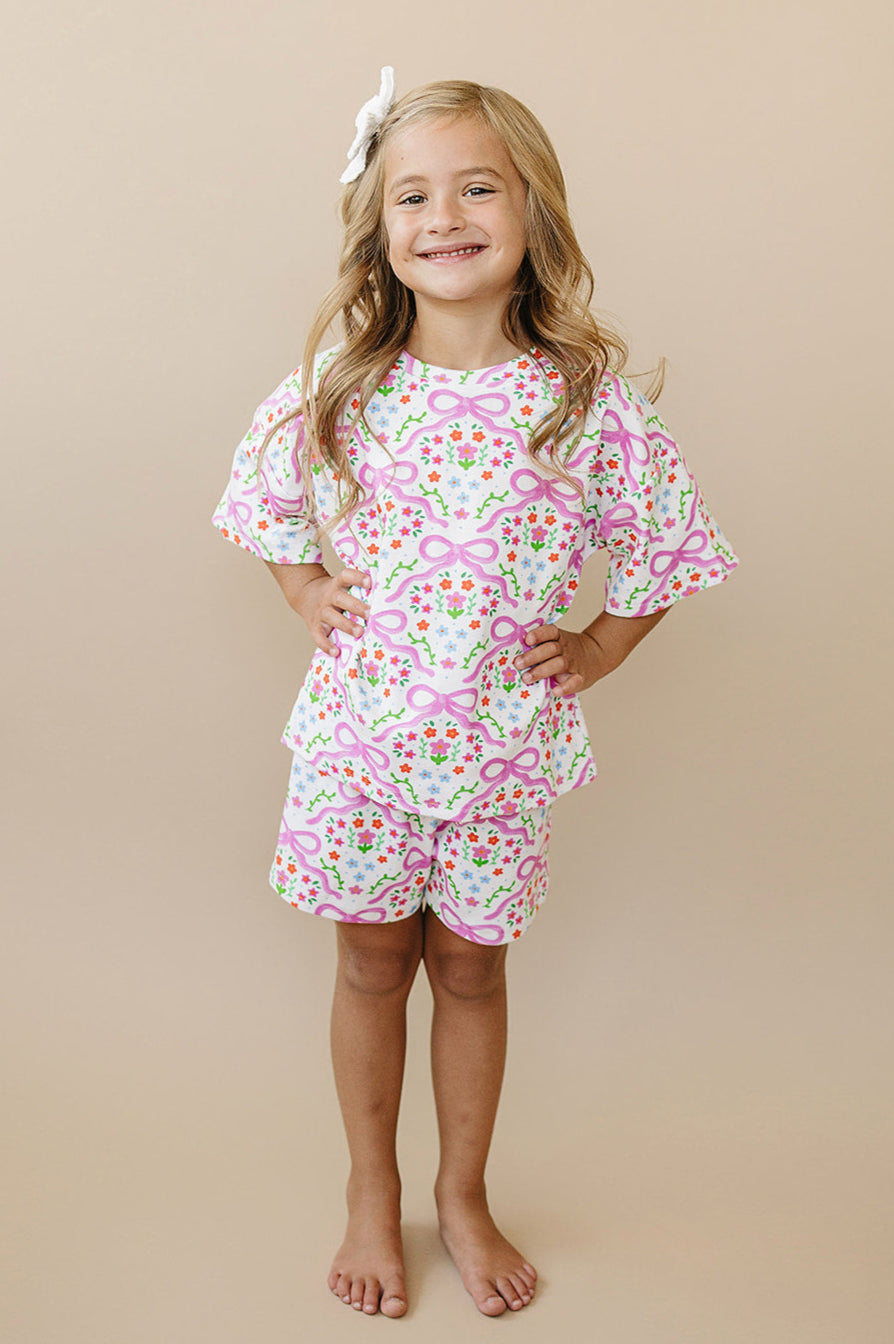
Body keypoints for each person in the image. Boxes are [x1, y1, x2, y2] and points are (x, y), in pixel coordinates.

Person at [212, 67, 739, 1320]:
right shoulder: (339, 385)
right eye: (413, 195)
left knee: (469, 970)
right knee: (368, 966)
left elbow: (667, 546)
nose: (444, 216)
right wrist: (304, 589)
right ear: (380, 228)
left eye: (478, 189)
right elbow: (265, 507)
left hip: (503, 754)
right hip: (361, 748)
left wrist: (600, 647)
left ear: (532, 213)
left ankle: (462, 1192)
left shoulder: (584, 405)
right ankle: (369, 1190)